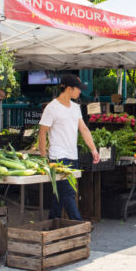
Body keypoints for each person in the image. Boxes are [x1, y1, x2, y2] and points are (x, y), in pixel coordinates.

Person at [38, 74, 99, 221]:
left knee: (60, 194)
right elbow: (42, 132)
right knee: (69, 192)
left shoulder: (76, 108)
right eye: (78, 89)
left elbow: (83, 129)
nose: (80, 92)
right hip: (58, 156)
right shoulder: (52, 108)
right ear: (69, 89)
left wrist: (93, 149)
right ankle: (78, 224)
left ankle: (53, 221)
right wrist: (43, 156)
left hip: (73, 155)